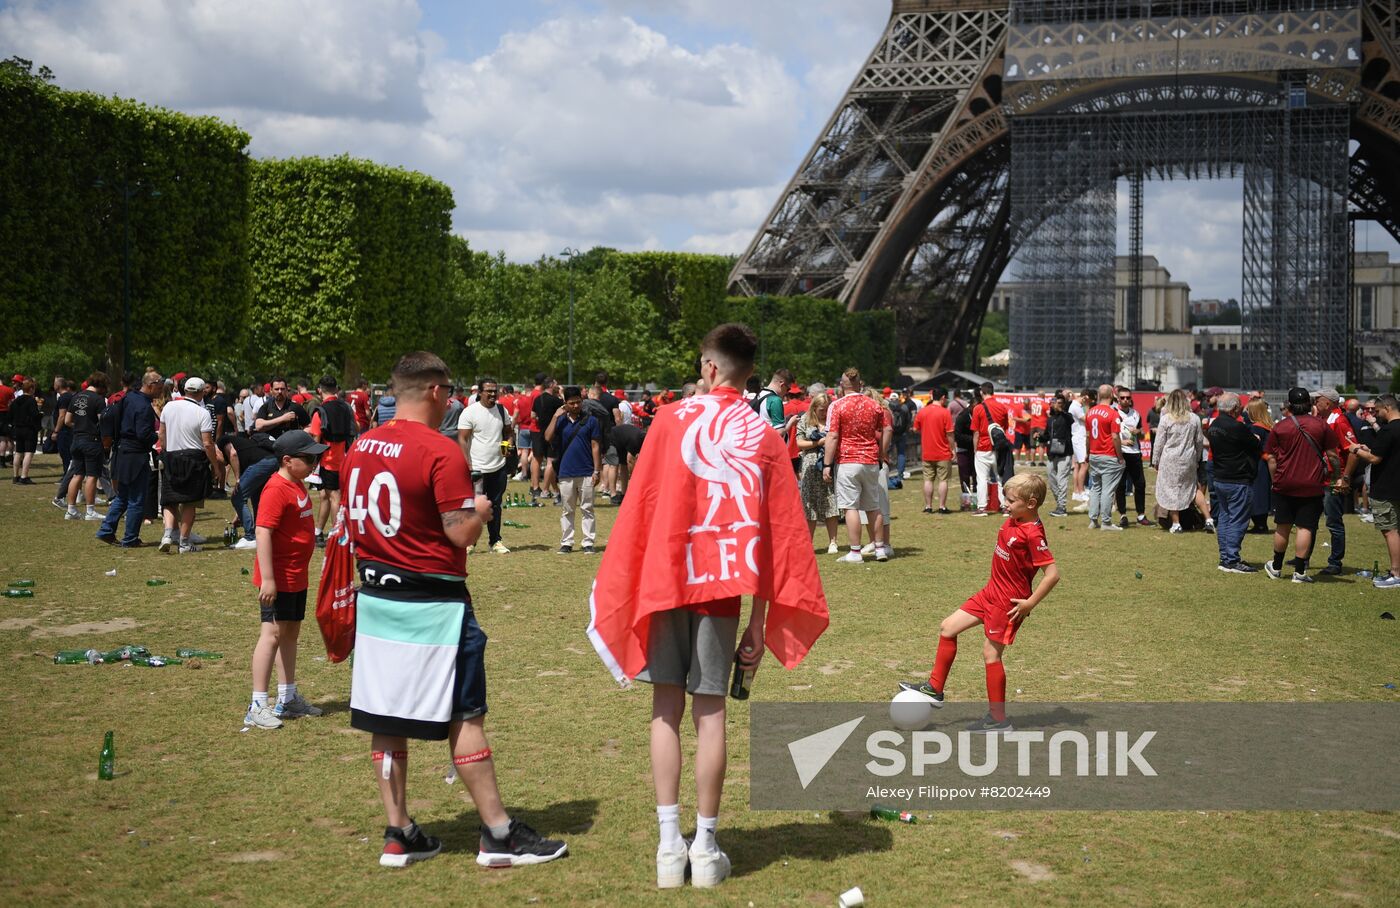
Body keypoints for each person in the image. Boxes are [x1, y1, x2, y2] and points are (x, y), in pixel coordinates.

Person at [585, 323, 828, 890]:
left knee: (665, 709)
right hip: (721, 591)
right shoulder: (765, 434)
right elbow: (780, 537)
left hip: (665, 582)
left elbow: (640, 507)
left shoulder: (669, 421)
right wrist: (760, 623)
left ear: (711, 367)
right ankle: (707, 844)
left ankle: (670, 847)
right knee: (711, 712)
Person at [343, 351, 567, 869]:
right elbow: (460, 531)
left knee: (387, 717)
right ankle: (497, 833)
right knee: (465, 716)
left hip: (377, 599)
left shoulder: (359, 448)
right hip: (435, 605)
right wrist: (483, 511)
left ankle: (399, 832)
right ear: (435, 392)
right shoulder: (440, 451)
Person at [899, 472, 1060, 731]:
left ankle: (998, 720)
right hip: (989, 593)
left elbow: (1052, 575)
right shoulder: (1014, 519)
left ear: (1030, 503)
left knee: (990, 655)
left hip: (1006, 604)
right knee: (947, 627)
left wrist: (1029, 603)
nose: (1005, 504)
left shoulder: (1033, 534)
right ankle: (934, 690)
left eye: (1010, 500)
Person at [243, 429, 326, 729]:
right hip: (277, 577)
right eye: (309, 458)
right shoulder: (276, 488)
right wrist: (268, 579)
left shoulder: (298, 485)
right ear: (288, 460)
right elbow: (263, 532)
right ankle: (256, 704)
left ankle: (287, 697)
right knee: (272, 635)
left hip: (296, 576)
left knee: (290, 634)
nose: (315, 463)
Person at [1263, 387, 1340, 583]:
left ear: (1289, 405)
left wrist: (1274, 480)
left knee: (1283, 526)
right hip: (1312, 484)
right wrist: (1337, 476)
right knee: (1306, 527)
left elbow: (1271, 458)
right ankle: (1299, 572)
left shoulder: (1280, 427)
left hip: (1284, 482)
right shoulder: (1321, 426)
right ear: (1310, 404)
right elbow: (1333, 455)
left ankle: (1277, 566)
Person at [824, 368, 890, 562]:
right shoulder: (874, 404)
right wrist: (881, 452)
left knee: (850, 507)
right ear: (860, 383)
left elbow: (833, 435)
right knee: (873, 506)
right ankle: (880, 548)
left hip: (847, 460)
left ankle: (855, 551)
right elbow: (886, 428)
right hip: (870, 460)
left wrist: (827, 464)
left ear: (841, 385)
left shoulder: (837, 406)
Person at [97, 371, 162, 548]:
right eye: (159, 385)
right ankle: (130, 538)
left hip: (122, 452)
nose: (161, 389)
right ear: (151, 385)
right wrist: (157, 437)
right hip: (135, 456)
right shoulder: (143, 406)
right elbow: (143, 434)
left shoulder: (129, 397)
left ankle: (106, 530)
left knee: (123, 496)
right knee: (137, 499)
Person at [156, 377, 220, 553]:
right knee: (190, 502)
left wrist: (167, 453)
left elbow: (162, 435)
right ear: (201, 392)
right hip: (194, 458)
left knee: (170, 499)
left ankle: (168, 534)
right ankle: (184, 543)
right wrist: (215, 466)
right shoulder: (202, 412)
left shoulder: (168, 406)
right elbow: (207, 443)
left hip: (172, 455)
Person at [1207, 393, 1262, 573]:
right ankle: (1231, 559)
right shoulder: (1237, 426)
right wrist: (1257, 439)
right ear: (1234, 408)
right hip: (1238, 479)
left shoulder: (1214, 425)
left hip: (1220, 477)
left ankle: (1225, 557)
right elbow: (1255, 445)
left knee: (1224, 518)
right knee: (1237, 520)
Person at [458, 378, 513, 554]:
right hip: (477, 469)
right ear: (479, 392)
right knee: (474, 507)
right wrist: (469, 466)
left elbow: (508, 431)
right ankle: (470, 542)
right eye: (488, 391)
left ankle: (495, 541)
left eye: (494, 390)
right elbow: (463, 439)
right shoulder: (470, 412)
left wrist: (508, 444)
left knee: (495, 505)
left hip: (498, 466)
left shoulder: (501, 410)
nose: (492, 394)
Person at [1351, 395, 1400, 587]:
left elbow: (1374, 459)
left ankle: (1396, 574)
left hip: (1386, 487)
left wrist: (1356, 449)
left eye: (1378, 411)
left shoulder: (1388, 429)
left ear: (1387, 408)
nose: (1376, 415)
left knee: (1390, 531)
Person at [546, 386, 601, 554]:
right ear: (565, 404)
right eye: (572, 403)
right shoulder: (561, 420)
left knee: (587, 508)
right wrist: (556, 416)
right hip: (566, 471)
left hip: (586, 471)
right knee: (567, 509)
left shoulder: (591, 420)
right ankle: (567, 542)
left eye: (578, 402)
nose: (576, 406)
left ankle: (588, 542)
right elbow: (547, 437)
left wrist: (597, 470)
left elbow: (595, 446)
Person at [1312, 388, 1358, 576]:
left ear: (1328, 403)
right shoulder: (1325, 419)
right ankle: (1304, 556)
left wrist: (1344, 477)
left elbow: (1352, 451)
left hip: (1332, 480)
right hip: (1321, 478)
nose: (1314, 402)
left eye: (1318, 399)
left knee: (1333, 521)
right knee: (1312, 519)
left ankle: (1335, 561)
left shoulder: (1339, 420)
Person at [308, 376, 356, 547]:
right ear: (336, 389)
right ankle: (318, 532)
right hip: (344, 458)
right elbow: (354, 429)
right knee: (324, 495)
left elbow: (315, 438)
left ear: (320, 390)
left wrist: (311, 463)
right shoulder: (346, 408)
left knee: (334, 496)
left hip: (328, 461)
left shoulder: (320, 411)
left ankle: (337, 536)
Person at [1151, 389, 1205, 533]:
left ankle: (1176, 523)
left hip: (1170, 459)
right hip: (1188, 458)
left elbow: (1159, 442)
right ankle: (1208, 518)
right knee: (1193, 488)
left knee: (1171, 489)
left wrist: (1155, 460)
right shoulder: (1194, 419)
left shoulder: (1166, 419)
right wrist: (1198, 457)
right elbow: (1199, 441)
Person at [796, 392, 839, 553]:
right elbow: (799, 443)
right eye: (821, 409)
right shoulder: (805, 421)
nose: (824, 412)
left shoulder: (833, 420)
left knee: (831, 502)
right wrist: (817, 442)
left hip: (828, 466)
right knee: (809, 504)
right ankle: (808, 542)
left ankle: (833, 542)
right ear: (814, 408)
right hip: (809, 466)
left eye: (827, 409)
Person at [62, 373, 109, 521]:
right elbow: (103, 422)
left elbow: (67, 420)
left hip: (76, 439)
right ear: (101, 385)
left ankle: (71, 509)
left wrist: (80, 425)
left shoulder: (75, 397)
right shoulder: (99, 400)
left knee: (77, 474)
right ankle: (90, 511)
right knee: (92, 475)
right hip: (92, 440)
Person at [1085, 385, 1124, 531]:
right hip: (1108, 455)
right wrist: (1120, 457)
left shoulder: (1090, 412)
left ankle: (1093, 520)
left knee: (1095, 488)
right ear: (1112, 395)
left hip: (1094, 455)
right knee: (1108, 490)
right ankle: (1106, 522)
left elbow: (1088, 436)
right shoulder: (1113, 414)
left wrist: (1088, 453)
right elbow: (1115, 437)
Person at [1111, 387, 1150, 527]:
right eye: (1122, 398)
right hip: (1120, 453)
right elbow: (1109, 436)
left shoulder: (1136, 414)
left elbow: (1141, 432)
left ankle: (1141, 515)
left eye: (1128, 397)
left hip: (1135, 453)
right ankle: (1123, 515)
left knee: (1140, 484)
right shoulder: (1113, 413)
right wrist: (1121, 442)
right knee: (1120, 486)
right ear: (1117, 399)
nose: (1125, 400)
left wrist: (1138, 431)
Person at [969, 382, 1008, 517]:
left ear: (982, 392)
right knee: (1000, 478)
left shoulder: (978, 408)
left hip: (983, 446)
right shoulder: (1002, 407)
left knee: (982, 478)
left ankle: (982, 507)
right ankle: (1005, 506)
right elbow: (1005, 428)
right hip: (999, 447)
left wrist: (975, 449)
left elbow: (976, 432)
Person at [914, 387, 955, 515]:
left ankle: (928, 506)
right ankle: (942, 506)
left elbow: (915, 428)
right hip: (942, 451)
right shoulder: (945, 412)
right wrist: (952, 449)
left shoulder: (922, 412)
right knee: (943, 480)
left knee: (928, 480)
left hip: (927, 451)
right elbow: (949, 434)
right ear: (943, 397)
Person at [532, 378, 564, 504]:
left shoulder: (538, 399)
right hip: (552, 434)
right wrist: (561, 393)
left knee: (543, 460)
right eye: (556, 384)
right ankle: (545, 489)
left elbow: (533, 415)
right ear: (551, 385)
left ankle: (553, 489)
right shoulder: (555, 400)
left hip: (540, 432)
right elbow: (565, 407)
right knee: (551, 462)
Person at [1244, 398, 1274, 534]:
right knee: (1263, 492)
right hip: (1266, 463)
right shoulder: (1268, 426)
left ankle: (1260, 525)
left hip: (1259, 463)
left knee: (1257, 494)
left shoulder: (1256, 427)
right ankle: (1261, 524)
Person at [1044, 392, 1073, 517]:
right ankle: (1059, 504)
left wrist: (1062, 410)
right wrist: (1039, 437)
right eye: (1056, 402)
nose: (1057, 405)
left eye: (1060, 403)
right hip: (1052, 453)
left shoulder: (1067, 417)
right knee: (1051, 480)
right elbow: (1046, 436)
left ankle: (1062, 507)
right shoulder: (1050, 419)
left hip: (1064, 453)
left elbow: (1070, 420)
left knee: (1062, 480)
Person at [8, 379, 41, 483]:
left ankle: (15, 476)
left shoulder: (16, 400)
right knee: (28, 453)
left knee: (18, 452)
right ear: (31, 389)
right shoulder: (31, 401)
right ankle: (24, 477)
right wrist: (40, 413)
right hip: (29, 429)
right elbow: (34, 415)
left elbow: (10, 415)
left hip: (18, 428)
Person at [1068, 388, 1089, 503]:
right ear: (1085, 396)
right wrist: (1087, 406)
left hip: (1078, 437)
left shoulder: (1077, 406)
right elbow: (1087, 419)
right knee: (1084, 464)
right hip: (1079, 438)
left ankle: (1076, 492)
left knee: (1077, 465)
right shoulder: (1076, 406)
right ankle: (1081, 492)